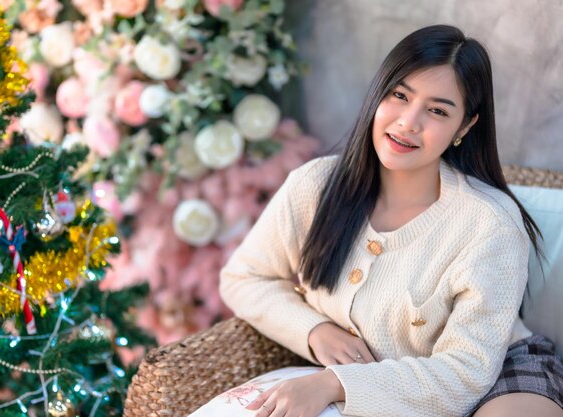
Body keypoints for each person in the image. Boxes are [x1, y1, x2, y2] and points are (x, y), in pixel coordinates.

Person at [219, 24, 563, 417]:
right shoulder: (314, 186)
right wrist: (313, 330)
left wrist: (335, 382)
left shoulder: (490, 224)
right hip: (381, 383)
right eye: (400, 95)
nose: (408, 122)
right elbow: (243, 277)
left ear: (464, 127)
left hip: (495, 372)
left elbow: (468, 372)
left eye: (437, 110)